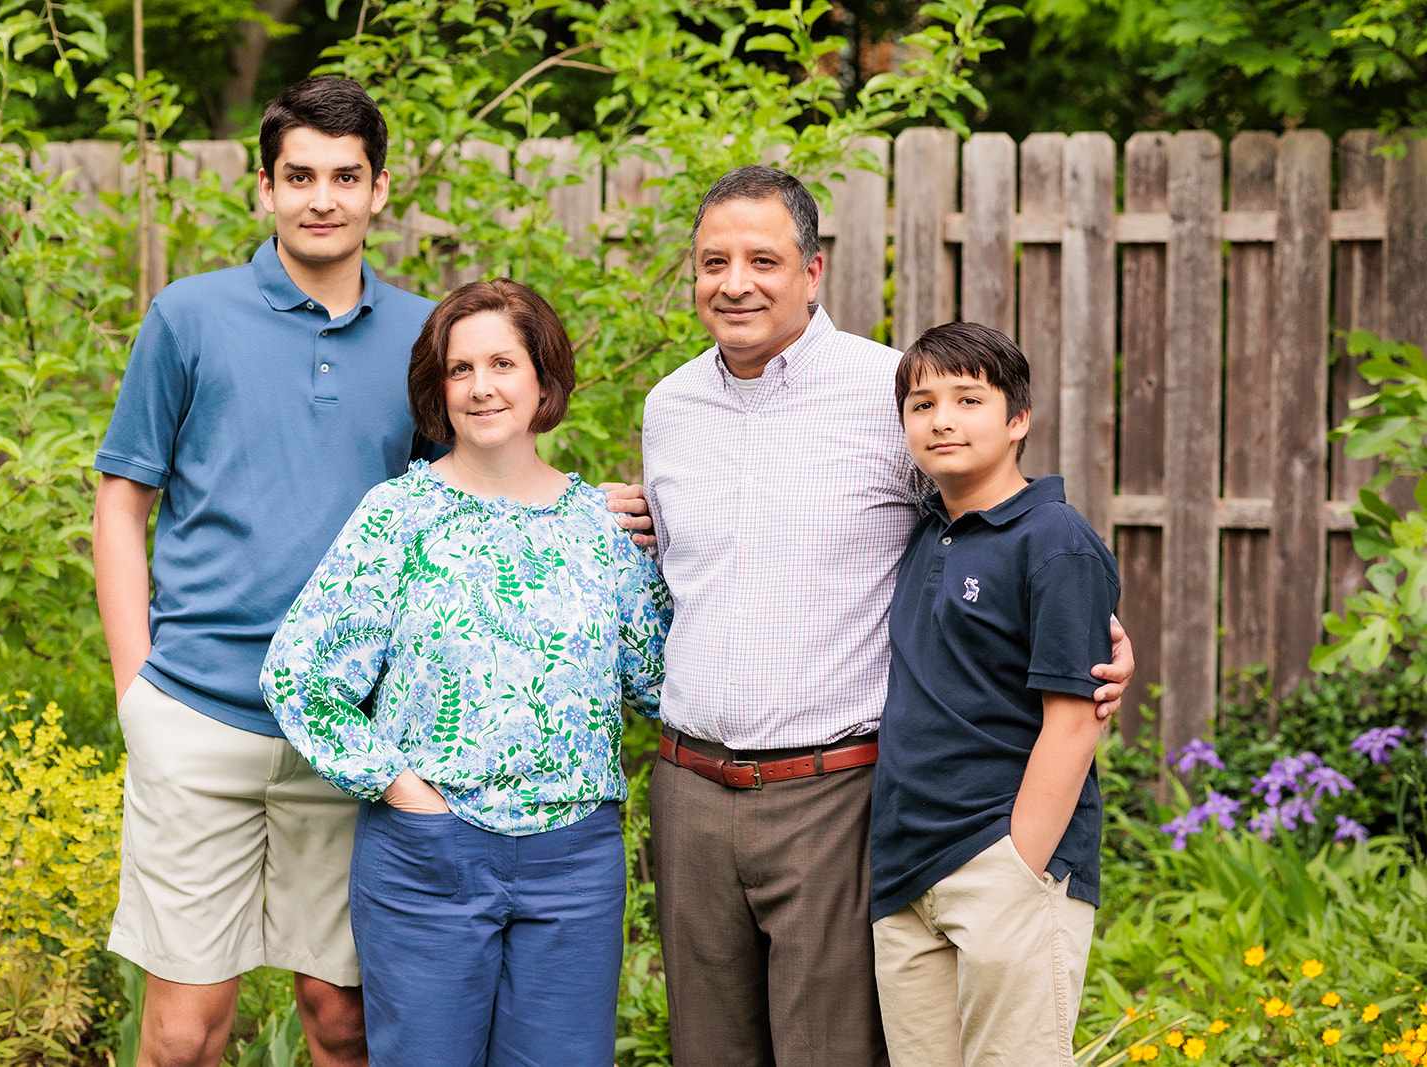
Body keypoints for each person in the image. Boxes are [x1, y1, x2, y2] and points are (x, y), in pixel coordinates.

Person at [92, 78, 652, 1067]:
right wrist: (135, 685)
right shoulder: (187, 318)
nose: (321, 198)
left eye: (344, 176)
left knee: (343, 1019)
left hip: (355, 733)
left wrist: (582, 510)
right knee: (183, 1031)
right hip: (198, 713)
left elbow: (475, 483)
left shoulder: (428, 337)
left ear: (379, 188)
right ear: (262, 186)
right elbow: (121, 502)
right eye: (298, 176)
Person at [639, 165, 1134, 1066]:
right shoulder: (668, 409)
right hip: (689, 789)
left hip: (835, 790)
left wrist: (1090, 645)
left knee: (832, 1049)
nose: (735, 281)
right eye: (715, 261)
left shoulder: (891, 393)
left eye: (763, 259)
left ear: (813, 270)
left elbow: (991, 524)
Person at [260, 278, 671, 1067]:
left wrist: (677, 538)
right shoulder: (397, 517)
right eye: (460, 369)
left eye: (503, 364)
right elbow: (300, 676)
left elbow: (660, 682)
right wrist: (402, 790)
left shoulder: (602, 526)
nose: (482, 386)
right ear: (437, 388)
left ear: (543, 379)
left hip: (573, 862)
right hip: (430, 855)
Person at [868, 321, 1116, 1065]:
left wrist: (1020, 867)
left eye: (968, 399)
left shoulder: (1055, 540)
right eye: (922, 403)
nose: (942, 418)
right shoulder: (921, 533)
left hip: (1003, 865)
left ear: (1018, 420)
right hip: (905, 873)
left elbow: (1075, 722)